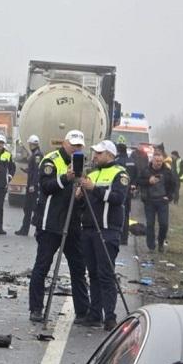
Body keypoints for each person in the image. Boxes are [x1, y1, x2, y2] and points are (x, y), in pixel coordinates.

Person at [28, 130, 90, 324]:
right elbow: (46, 187)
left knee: (78, 268)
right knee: (42, 266)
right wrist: (66, 178)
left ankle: (83, 311)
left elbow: (83, 198)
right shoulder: (51, 160)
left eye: (79, 146)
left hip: (72, 223)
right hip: (50, 223)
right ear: (65, 143)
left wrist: (81, 195)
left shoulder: (83, 164)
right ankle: (36, 309)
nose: (76, 149)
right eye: (73, 145)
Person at [78, 140, 129, 331]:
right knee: (93, 274)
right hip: (89, 229)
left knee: (106, 274)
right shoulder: (91, 174)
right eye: (95, 153)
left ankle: (110, 317)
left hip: (107, 230)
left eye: (99, 153)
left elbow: (118, 198)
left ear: (109, 154)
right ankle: (94, 314)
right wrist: (80, 195)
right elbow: (86, 203)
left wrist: (94, 189)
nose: (95, 156)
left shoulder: (120, 173)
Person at [139, 148, 175, 253]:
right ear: (152, 160)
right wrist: (148, 181)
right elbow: (139, 181)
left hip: (162, 201)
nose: (158, 163)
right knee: (150, 224)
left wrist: (169, 197)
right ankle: (151, 245)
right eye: (156, 161)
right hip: (149, 201)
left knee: (164, 224)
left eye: (160, 161)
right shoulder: (146, 170)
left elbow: (173, 185)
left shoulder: (167, 171)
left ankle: (160, 242)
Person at [16, 135, 43, 236]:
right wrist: (27, 170)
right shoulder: (35, 154)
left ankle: (36, 230)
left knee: (32, 208)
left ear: (32, 144)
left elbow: (37, 171)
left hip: (33, 186)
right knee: (27, 208)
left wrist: (33, 185)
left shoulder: (37, 155)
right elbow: (33, 169)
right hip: (32, 184)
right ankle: (25, 229)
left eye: (30, 144)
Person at [114, 142, 137, 245]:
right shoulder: (132, 161)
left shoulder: (117, 162)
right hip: (129, 192)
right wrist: (134, 185)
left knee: (118, 213)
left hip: (119, 191)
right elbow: (136, 174)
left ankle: (118, 236)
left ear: (118, 151)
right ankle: (124, 238)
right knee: (126, 215)